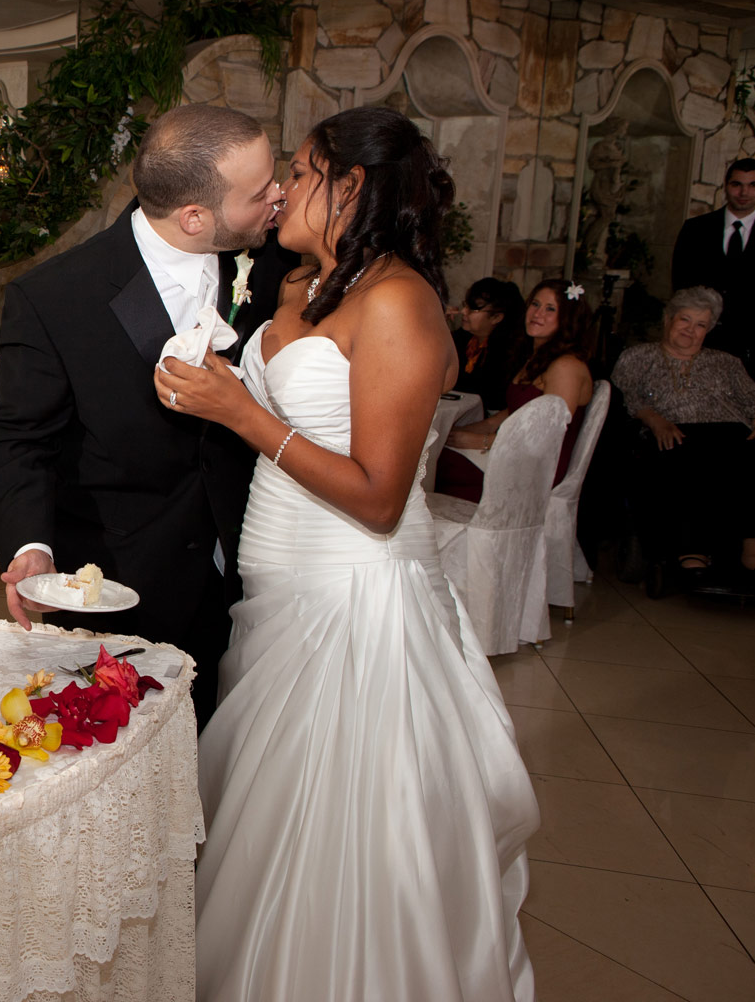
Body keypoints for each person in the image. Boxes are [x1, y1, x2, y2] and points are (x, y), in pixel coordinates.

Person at [156, 105, 536, 1002]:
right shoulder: (297, 286)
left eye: (301, 167)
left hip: (357, 600)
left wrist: (241, 413)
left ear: (353, 186)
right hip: (276, 591)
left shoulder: (400, 302)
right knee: (268, 820)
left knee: (339, 834)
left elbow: (378, 494)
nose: (282, 185)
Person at [0, 103, 292, 722]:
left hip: (254, 566)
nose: (279, 197)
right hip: (124, 579)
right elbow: (19, 439)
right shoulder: (56, 295)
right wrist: (32, 545)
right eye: (261, 192)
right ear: (196, 216)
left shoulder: (275, 263)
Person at [612, 286, 755, 582]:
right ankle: (692, 547)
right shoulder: (638, 356)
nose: (691, 330)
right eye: (685, 320)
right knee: (685, 458)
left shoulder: (726, 362)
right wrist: (653, 419)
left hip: (730, 432)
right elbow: (625, 395)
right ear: (668, 320)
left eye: (701, 325)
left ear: (709, 330)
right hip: (673, 430)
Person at [438, 278, 594, 502]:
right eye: (535, 304)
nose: (538, 313)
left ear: (568, 318)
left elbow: (547, 433)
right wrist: (458, 433)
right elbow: (511, 414)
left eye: (550, 309)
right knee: (435, 452)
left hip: (536, 470)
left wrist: (481, 441)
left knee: (437, 464)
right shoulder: (537, 358)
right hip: (516, 450)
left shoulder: (566, 366)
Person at [672, 158, 755, 391]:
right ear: (726, 184)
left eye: (753, 185)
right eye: (737, 184)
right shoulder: (695, 230)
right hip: (701, 344)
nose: (744, 192)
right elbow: (680, 290)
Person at [453, 276, 524, 412]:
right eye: (465, 305)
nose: (463, 312)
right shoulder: (461, 339)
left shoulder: (506, 353)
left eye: (473, 308)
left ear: (497, 317)